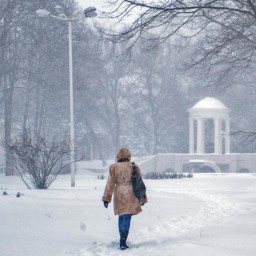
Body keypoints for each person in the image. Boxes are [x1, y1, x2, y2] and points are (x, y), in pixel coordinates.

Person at [102, 147, 147, 250]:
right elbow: (139, 183)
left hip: (119, 193)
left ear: (118, 156)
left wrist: (106, 198)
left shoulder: (113, 167)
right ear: (128, 156)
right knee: (127, 217)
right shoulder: (133, 167)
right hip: (130, 193)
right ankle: (123, 241)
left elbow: (110, 184)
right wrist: (142, 198)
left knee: (122, 216)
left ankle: (122, 239)